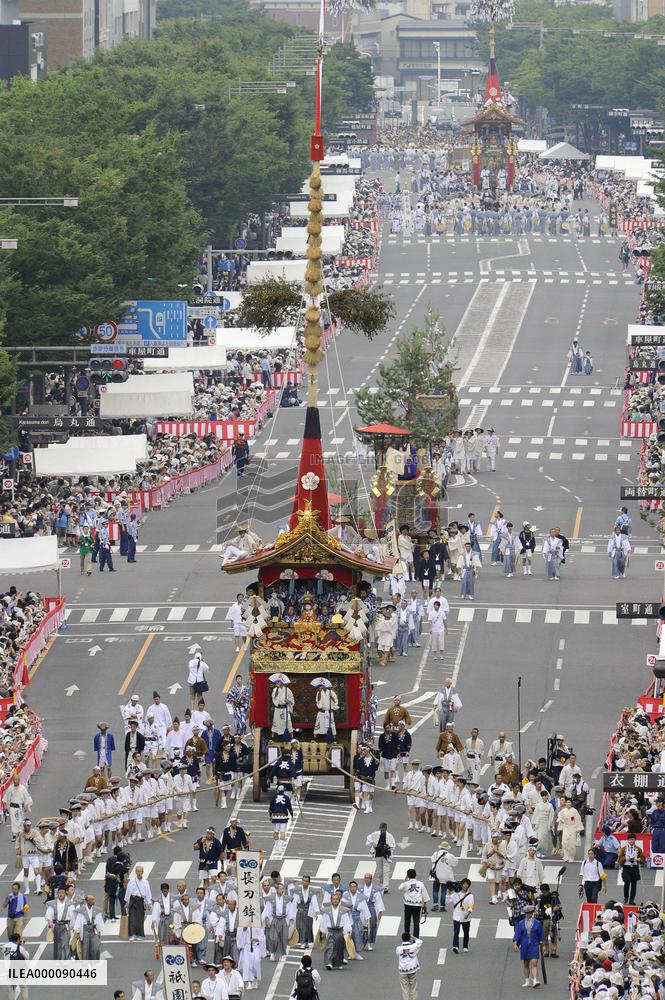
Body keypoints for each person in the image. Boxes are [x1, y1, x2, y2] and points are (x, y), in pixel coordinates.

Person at [513, 904, 544, 988]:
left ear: (532, 913)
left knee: (534, 962)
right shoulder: (521, 923)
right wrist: (515, 943)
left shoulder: (537, 923)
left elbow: (541, 934)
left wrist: (542, 944)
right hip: (524, 945)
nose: (528, 914)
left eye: (530, 912)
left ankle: (534, 980)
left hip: (534, 945)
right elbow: (517, 934)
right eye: (527, 913)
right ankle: (527, 980)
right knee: (526, 963)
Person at [398, 868, 429, 938]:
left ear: (408, 876)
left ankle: (407, 936)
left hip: (408, 905)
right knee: (416, 922)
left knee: (407, 921)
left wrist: (405, 880)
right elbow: (425, 895)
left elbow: (399, 888)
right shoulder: (420, 884)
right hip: (417, 905)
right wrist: (425, 905)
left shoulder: (406, 884)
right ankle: (416, 937)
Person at [618, 833, 645, 905]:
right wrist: (624, 858)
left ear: (635, 840)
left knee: (634, 884)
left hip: (635, 868)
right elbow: (619, 859)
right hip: (626, 868)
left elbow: (643, 859)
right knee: (626, 883)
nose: (631, 841)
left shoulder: (638, 849)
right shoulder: (624, 849)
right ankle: (625, 897)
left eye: (632, 839)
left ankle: (632, 899)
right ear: (628, 840)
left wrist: (639, 859)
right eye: (629, 839)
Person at [366, 822, 395, 891]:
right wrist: (373, 843)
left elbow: (393, 845)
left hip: (386, 855)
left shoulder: (390, 836)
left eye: (383, 830)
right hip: (378, 854)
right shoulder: (376, 834)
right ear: (379, 829)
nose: (382, 831)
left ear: (386, 829)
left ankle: (385, 887)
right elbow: (368, 837)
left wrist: (389, 848)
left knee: (386, 871)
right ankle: (381, 883)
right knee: (380, 872)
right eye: (381, 830)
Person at [126, 865, 152, 941]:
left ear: (143, 872)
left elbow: (148, 892)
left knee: (140, 918)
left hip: (141, 901)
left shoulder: (145, 882)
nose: (139, 873)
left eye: (140, 871)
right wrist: (127, 901)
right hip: (133, 900)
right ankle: (133, 934)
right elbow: (128, 891)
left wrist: (149, 902)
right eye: (137, 871)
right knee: (132, 918)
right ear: (135, 872)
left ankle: (139, 934)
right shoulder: (132, 881)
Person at [430, 839, 456, 912]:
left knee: (435, 890)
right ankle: (442, 906)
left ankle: (435, 905)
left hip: (437, 876)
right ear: (447, 848)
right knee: (443, 891)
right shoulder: (450, 856)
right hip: (446, 876)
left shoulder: (436, 854)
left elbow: (432, 860)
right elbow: (454, 863)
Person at [556, 797, 584, 863]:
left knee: (572, 843)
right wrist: (561, 820)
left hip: (572, 828)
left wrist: (578, 829)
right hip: (566, 827)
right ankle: (566, 856)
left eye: (569, 802)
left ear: (571, 804)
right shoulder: (563, 811)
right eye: (567, 802)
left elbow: (578, 820)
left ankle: (571, 857)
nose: (568, 804)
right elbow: (559, 816)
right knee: (565, 842)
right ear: (565, 803)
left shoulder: (574, 811)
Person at [6, 774, 32, 842]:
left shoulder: (22, 788)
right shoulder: (10, 788)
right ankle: (14, 835)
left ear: (19, 780)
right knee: (13, 821)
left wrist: (26, 805)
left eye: (16, 780)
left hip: (20, 807)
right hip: (12, 807)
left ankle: (20, 834)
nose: (15, 781)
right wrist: (6, 806)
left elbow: (27, 797)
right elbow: (7, 797)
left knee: (20, 821)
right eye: (14, 780)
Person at [450, 877, 474, 954]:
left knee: (466, 933)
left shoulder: (470, 895)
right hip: (456, 916)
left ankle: (465, 946)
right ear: (461, 885)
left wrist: (468, 912)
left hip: (466, 917)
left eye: (467, 884)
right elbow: (448, 900)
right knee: (456, 932)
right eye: (464, 884)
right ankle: (455, 946)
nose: (465, 886)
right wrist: (448, 892)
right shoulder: (455, 894)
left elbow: (471, 905)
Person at [396, 933, 422, 1000]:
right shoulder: (413, 947)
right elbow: (420, 941)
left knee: (405, 989)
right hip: (412, 969)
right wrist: (412, 936)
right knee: (413, 988)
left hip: (403, 971)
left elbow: (398, 955)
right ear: (409, 938)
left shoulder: (398, 949)